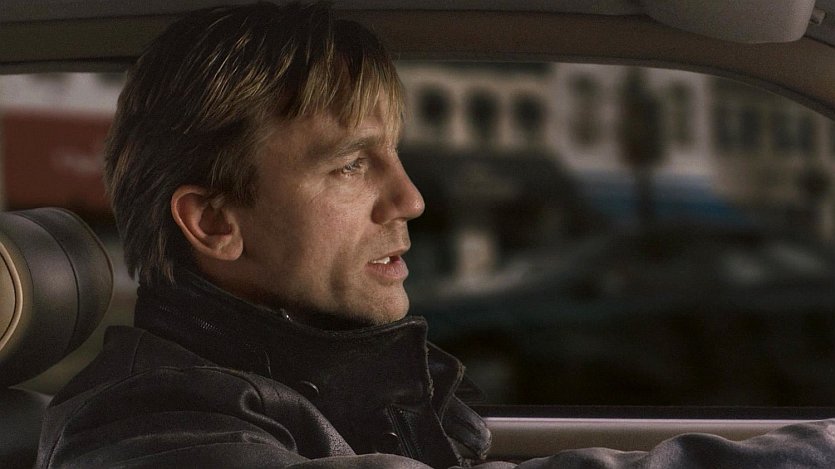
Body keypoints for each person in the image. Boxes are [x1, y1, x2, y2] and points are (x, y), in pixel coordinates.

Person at [36, 3, 835, 468]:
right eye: (351, 165)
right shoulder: (148, 429)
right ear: (215, 222)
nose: (410, 198)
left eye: (393, 155)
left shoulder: (309, 390)